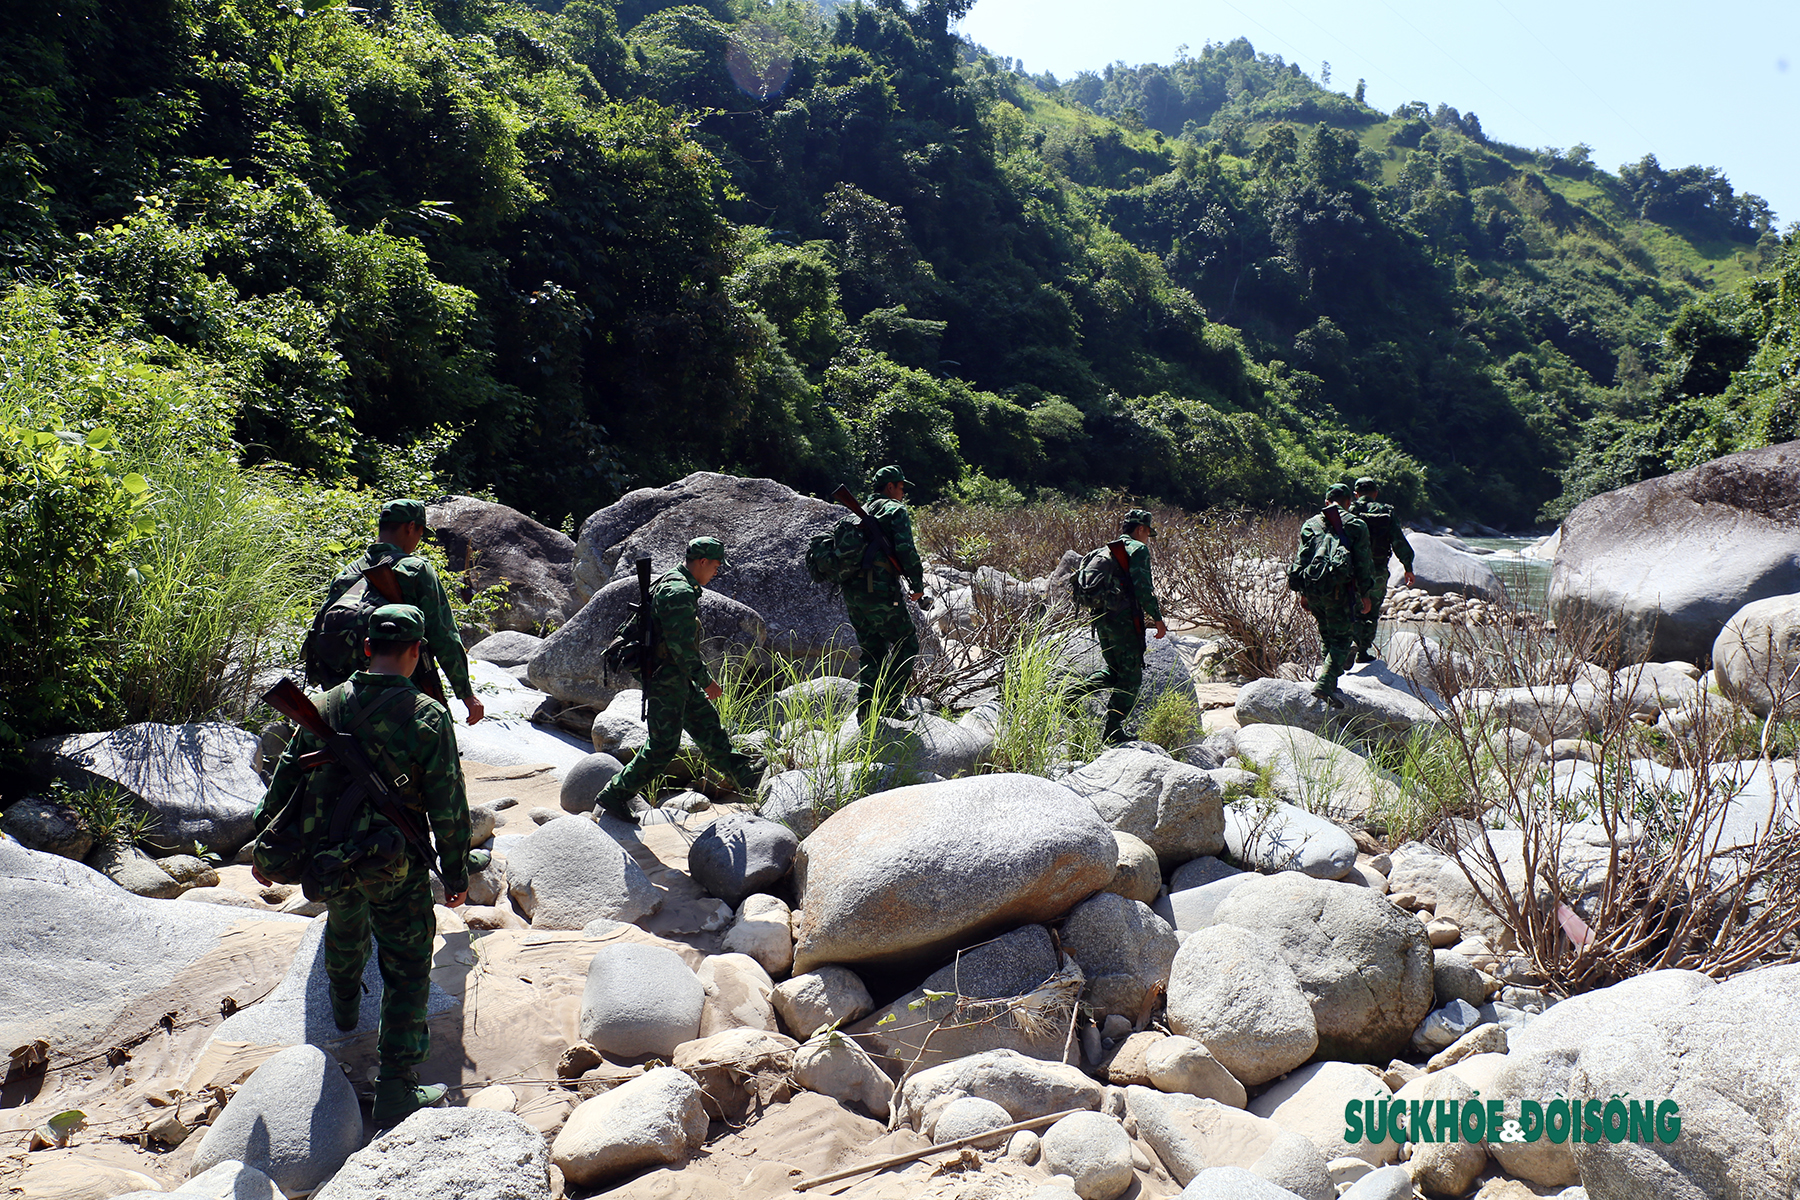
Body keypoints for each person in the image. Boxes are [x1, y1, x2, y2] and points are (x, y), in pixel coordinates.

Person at [254, 604, 473, 1128]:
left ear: (367, 648)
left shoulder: (322, 706)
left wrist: (264, 849)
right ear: (418, 653)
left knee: (344, 924)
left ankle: (346, 1007)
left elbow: (284, 784)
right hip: (394, 865)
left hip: (330, 857)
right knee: (407, 962)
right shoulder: (427, 715)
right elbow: (448, 804)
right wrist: (457, 872)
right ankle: (396, 1085)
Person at [589, 537, 764, 823]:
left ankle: (744, 774)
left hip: (676, 676)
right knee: (662, 746)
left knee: (707, 726)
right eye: (716, 566)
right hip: (666, 678)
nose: (717, 572)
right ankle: (615, 793)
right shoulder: (678, 592)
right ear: (703, 562)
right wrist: (707, 681)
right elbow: (681, 648)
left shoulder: (676, 580)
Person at [320, 498, 485, 725]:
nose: (418, 540)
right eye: (419, 532)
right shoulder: (416, 570)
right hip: (399, 692)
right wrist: (466, 693)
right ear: (410, 527)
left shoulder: (346, 573)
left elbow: (318, 631)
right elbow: (443, 635)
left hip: (344, 693)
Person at [1069, 508, 1169, 745]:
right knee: (1131, 678)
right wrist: (1158, 619)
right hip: (1123, 620)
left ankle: (1071, 695)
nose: (1147, 538)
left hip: (1101, 619)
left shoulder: (1103, 550)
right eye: (1147, 532)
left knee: (1114, 672)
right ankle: (1112, 731)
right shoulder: (1138, 549)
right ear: (1141, 529)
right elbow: (1144, 589)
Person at [844, 464, 927, 722]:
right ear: (890, 487)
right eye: (901, 488)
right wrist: (917, 585)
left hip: (852, 591)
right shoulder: (895, 510)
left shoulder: (854, 513)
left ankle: (866, 708)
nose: (903, 494)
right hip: (880, 589)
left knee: (872, 649)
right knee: (907, 642)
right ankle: (891, 703)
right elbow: (906, 550)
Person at [1294, 484, 1375, 708]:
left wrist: (1303, 593)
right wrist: (1366, 594)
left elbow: (1302, 559)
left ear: (1327, 501)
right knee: (1342, 639)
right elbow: (1363, 564)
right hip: (1341, 590)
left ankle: (1330, 681)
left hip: (1314, 588)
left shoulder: (1310, 523)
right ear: (1349, 501)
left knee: (1327, 634)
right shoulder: (1357, 525)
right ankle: (1325, 683)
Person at [1350, 476, 1417, 663]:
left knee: (1351, 608)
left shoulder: (1349, 511)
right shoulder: (1386, 512)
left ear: (1356, 494)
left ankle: (1349, 644)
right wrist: (1408, 567)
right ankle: (1362, 652)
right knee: (1371, 611)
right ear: (1375, 494)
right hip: (1377, 570)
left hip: (1352, 571)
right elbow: (1398, 541)